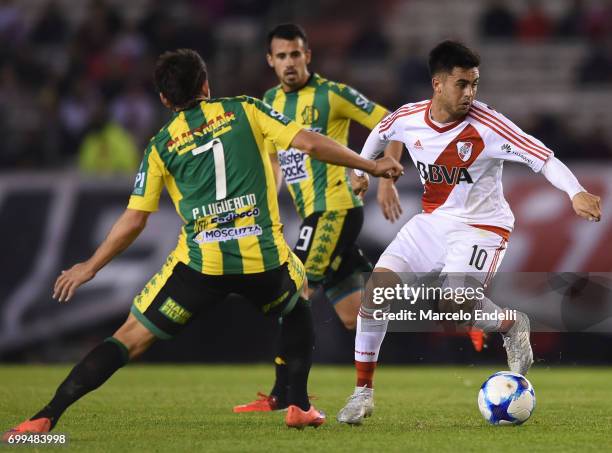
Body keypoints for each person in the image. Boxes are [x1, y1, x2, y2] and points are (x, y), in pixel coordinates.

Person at [3, 48, 403, 437]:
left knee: (128, 340)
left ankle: (45, 418)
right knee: (297, 295)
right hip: (262, 262)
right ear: (206, 85)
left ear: (164, 98)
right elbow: (311, 143)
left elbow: (134, 219)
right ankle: (298, 405)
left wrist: (89, 267)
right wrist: (372, 164)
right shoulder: (246, 109)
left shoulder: (160, 146)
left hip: (200, 268)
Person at [337, 40, 602, 425]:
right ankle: (362, 394)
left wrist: (575, 191)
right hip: (431, 223)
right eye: (462, 84)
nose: (470, 93)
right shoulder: (408, 118)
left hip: (482, 226)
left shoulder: (488, 124)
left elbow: (542, 156)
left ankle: (511, 323)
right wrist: (361, 171)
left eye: (475, 84)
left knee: (455, 305)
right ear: (438, 84)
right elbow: (378, 134)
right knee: (376, 293)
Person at [232, 23, 404, 414]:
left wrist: (384, 178)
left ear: (307, 56)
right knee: (355, 313)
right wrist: (267, 207)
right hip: (313, 213)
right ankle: (449, 309)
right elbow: (276, 161)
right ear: (270, 61)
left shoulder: (331, 95)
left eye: (296, 54)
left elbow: (395, 121)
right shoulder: (270, 100)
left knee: (294, 292)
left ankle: (288, 396)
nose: (289, 63)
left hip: (335, 209)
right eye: (282, 56)